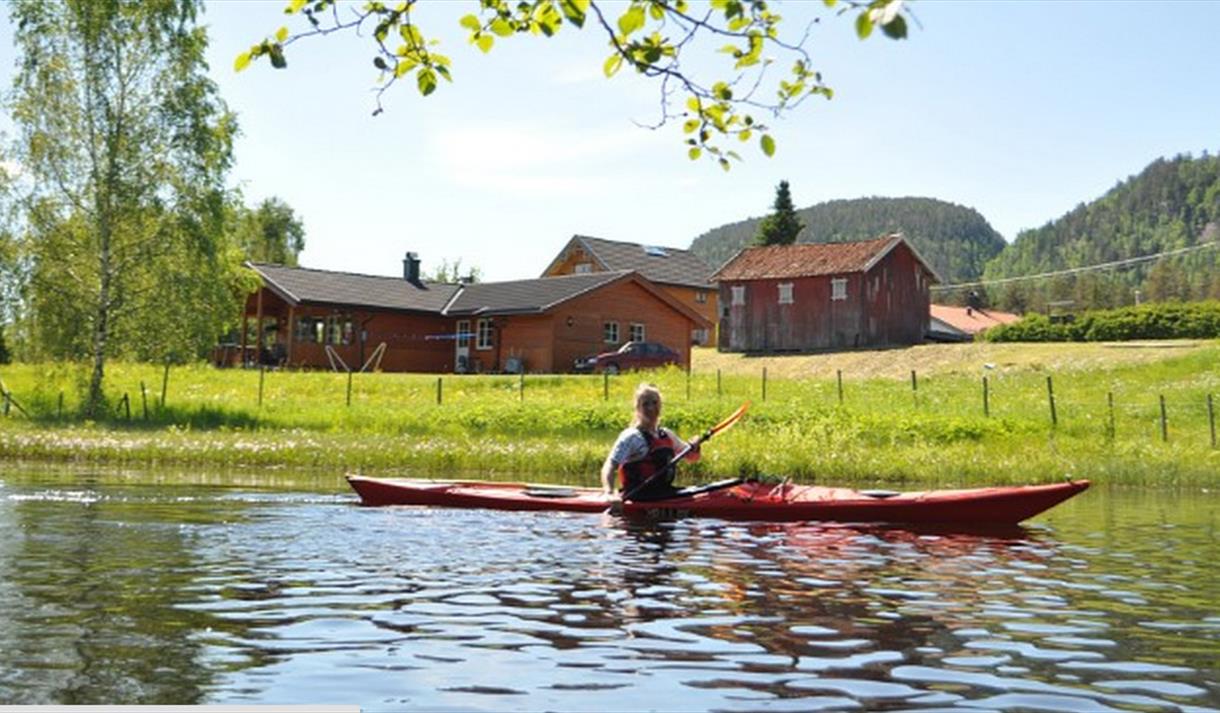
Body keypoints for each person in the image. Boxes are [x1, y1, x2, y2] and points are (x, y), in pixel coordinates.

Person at [601, 383, 701, 502]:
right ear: (638, 408)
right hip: (638, 498)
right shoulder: (631, 436)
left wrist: (695, 446)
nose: (651, 408)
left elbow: (692, 457)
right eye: (645, 404)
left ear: (660, 405)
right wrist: (609, 493)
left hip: (664, 494)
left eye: (654, 403)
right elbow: (609, 466)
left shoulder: (666, 434)